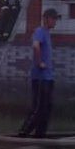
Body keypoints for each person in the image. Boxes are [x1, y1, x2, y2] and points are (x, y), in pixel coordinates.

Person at [18, 7, 60, 138]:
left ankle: (40, 135)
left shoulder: (47, 33)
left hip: (48, 77)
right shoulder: (40, 31)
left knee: (47, 107)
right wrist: (40, 62)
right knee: (38, 107)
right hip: (41, 77)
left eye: (55, 19)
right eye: (53, 19)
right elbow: (36, 46)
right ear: (46, 19)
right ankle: (23, 132)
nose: (55, 22)